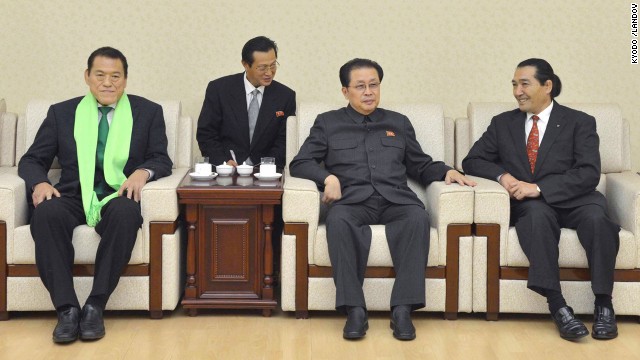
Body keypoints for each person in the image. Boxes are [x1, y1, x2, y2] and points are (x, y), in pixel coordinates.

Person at [289, 58, 476, 341]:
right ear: (345, 91)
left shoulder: (398, 122)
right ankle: (354, 309)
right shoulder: (328, 123)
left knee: (417, 218)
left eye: (373, 85)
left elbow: (419, 164)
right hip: (352, 201)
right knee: (338, 221)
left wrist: (447, 171)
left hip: (395, 199)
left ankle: (402, 309)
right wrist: (328, 178)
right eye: (360, 86)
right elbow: (300, 162)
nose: (368, 92)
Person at [18, 46, 172, 343]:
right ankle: (66, 310)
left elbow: (160, 158)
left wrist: (143, 172)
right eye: (100, 75)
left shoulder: (148, 112)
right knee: (47, 212)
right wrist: (40, 183)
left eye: (116, 76)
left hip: (117, 192)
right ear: (87, 77)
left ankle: (94, 306)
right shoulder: (62, 113)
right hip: (73, 194)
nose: (107, 82)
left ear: (125, 80)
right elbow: (31, 160)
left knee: (127, 213)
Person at [462, 58, 620, 341]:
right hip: (532, 206)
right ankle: (558, 306)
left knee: (598, 221)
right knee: (536, 218)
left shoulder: (579, 122)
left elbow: (588, 173)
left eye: (524, 83)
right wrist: (504, 177)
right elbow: (472, 160)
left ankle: (604, 303)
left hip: (577, 199)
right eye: (514, 84)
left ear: (547, 86)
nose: (517, 91)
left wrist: (540, 188)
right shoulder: (503, 124)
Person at [196, 35, 296, 169]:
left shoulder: (285, 96)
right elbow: (206, 133)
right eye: (262, 67)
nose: (269, 73)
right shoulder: (219, 89)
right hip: (226, 169)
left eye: (273, 65)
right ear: (245, 64)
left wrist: (267, 167)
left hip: (267, 172)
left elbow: (284, 140)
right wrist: (223, 162)